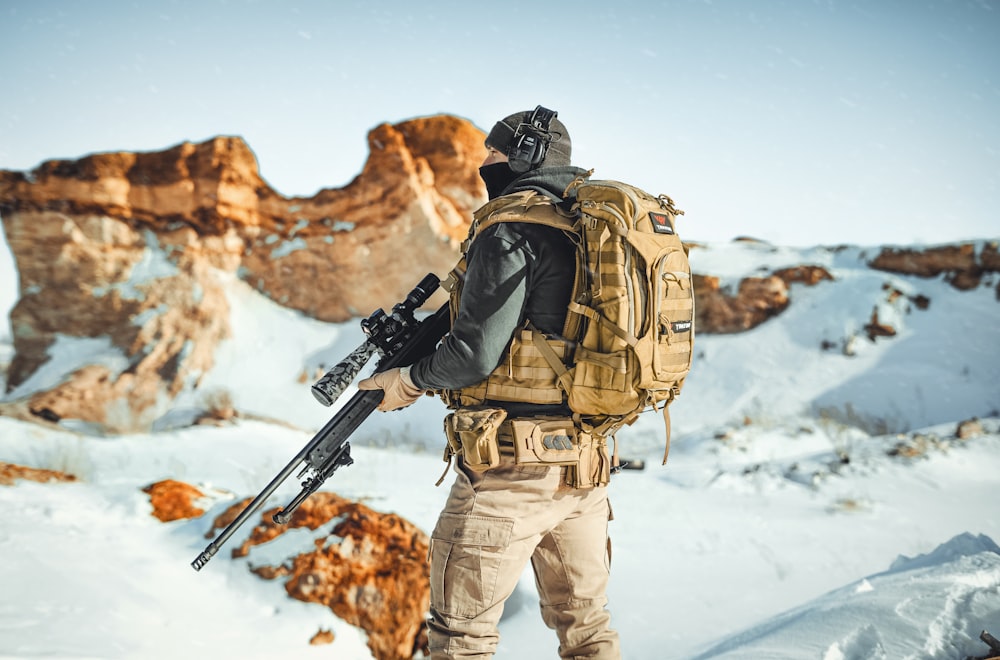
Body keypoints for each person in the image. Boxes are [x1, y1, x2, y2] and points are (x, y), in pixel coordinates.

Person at [359, 107, 621, 659]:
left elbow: (472, 356)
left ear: (525, 156)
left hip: (507, 474)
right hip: (586, 467)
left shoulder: (511, 229)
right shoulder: (592, 228)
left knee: (461, 638)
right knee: (588, 630)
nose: (485, 162)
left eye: (494, 152)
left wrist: (406, 381)